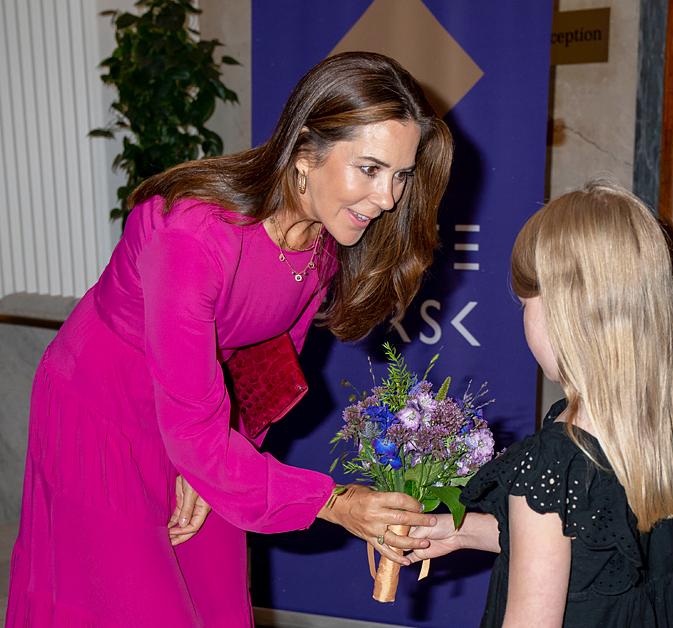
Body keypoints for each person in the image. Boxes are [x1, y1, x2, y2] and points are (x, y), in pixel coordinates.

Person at [5, 52, 447, 626]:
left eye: (400, 174)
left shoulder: (319, 242)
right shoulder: (192, 235)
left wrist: (211, 468)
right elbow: (193, 425)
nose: (388, 198)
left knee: (212, 601)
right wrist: (336, 503)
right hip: (104, 413)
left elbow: (260, 371)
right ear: (305, 153)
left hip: (202, 416)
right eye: (369, 168)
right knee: (133, 606)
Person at [399, 181, 673, 626]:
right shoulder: (653, 422)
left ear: (566, 313)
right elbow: (589, 552)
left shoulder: (553, 460)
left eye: (527, 302)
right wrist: (461, 531)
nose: (523, 317)